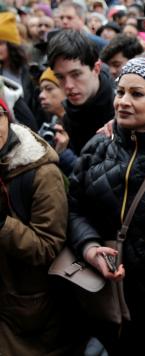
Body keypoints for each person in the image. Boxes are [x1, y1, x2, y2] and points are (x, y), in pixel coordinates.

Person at [67, 57, 145, 355]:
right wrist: (88, 247)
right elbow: (74, 208)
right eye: (120, 92)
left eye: (137, 94)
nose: (123, 101)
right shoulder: (98, 147)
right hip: (101, 295)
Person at [0, 98, 75, 355]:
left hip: (26, 315)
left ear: (6, 118)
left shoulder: (41, 172)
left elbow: (47, 246)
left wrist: (2, 223)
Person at [47, 30, 115, 157]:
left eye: (76, 74)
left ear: (96, 68)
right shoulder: (65, 118)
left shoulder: (122, 110)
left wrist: (65, 158)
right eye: (60, 77)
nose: (68, 86)